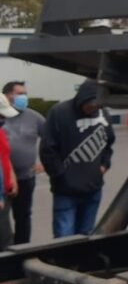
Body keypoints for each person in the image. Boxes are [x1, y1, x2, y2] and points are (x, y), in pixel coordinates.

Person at [39, 80, 116, 238]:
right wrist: (61, 176)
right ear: (82, 98)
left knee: (87, 236)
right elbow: (47, 150)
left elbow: (108, 142)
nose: (93, 109)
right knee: (64, 238)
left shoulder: (103, 114)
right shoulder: (59, 113)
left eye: (97, 106)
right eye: (91, 105)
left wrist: (104, 164)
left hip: (93, 189)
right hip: (66, 192)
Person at [2, 81, 46, 244]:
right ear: (7, 95)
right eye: (19, 93)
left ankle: (22, 251)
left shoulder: (33, 117)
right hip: (4, 179)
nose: (24, 97)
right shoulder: (2, 115)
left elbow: (50, 138)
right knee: (2, 220)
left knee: (23, 216)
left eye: (25, 94)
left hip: (26, 177)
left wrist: (45, 162)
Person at [0, 93, 19, 249]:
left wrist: (12, 177)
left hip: (5, 195)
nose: (3, 120)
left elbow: (4, 157)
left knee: (5, 239)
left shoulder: (0, 131)